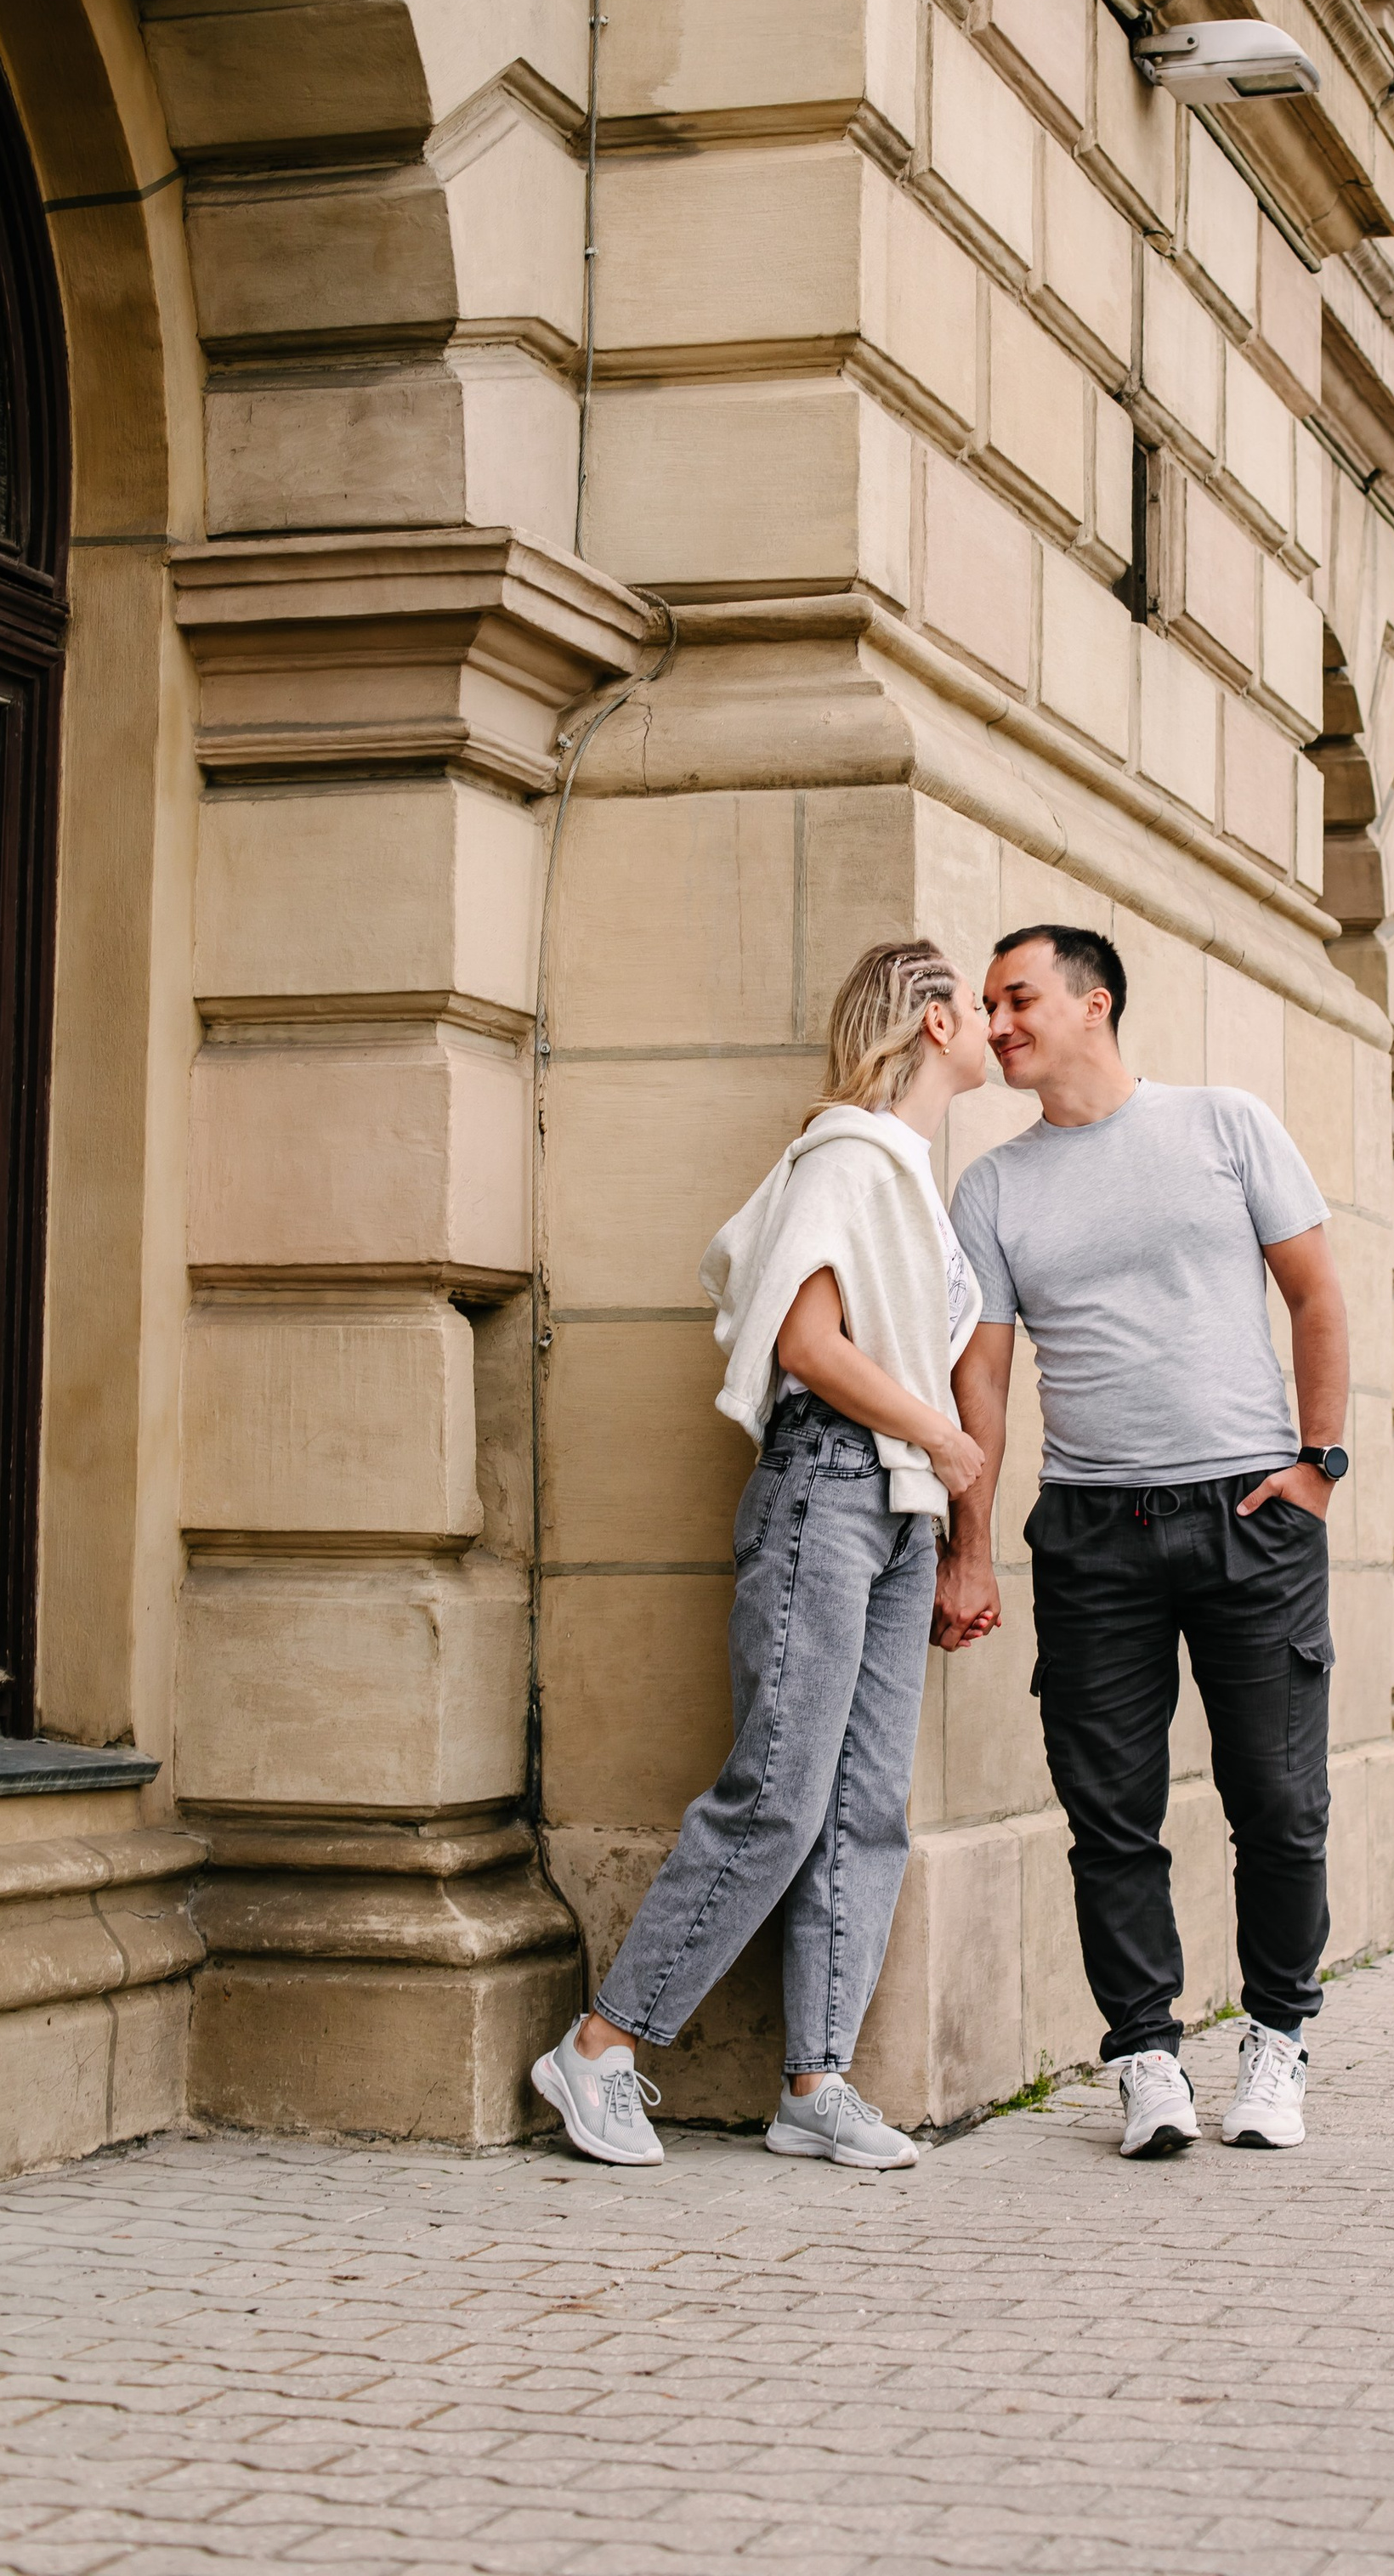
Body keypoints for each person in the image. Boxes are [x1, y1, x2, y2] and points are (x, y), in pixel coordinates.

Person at [532, 939, 994, 2171]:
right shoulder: (848, 1154)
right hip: (835, 1488)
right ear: (933, 1020)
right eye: (979, 998)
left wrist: (941, 1497)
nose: (998, 1018)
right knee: (780, 1793)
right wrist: (940, 1435)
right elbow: (808, 1341)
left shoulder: (908, 1172)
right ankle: (599, 2050)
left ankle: (815, 2083)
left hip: (897, 1509)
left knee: (864, 1808)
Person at [941, 925, 1350, 2160]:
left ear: (1092, 1003)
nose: (998, 1023)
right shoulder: (995, 1189)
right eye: (991, 1005)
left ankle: (1277, 2037)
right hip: (1091, 1527)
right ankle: (1146, 2056)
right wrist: (972, 1550)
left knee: (1277, 1803)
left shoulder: (1224, 1125)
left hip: (1249, 1515)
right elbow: (987, 1389)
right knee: (1108, 1813)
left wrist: (1319, 1468)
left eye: (1018, 1000)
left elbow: (1319, 1292)